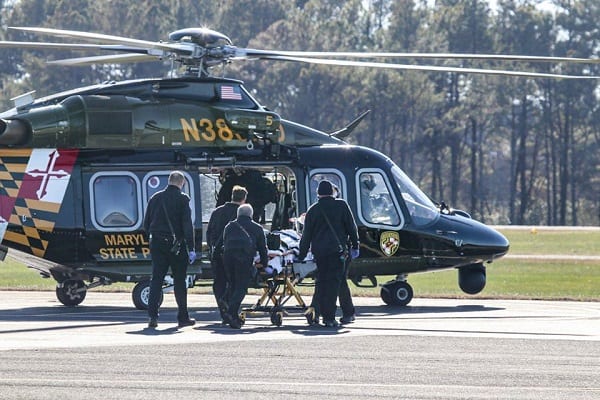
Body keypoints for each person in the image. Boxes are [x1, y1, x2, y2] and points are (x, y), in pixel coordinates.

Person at [298, 180, 359, 328]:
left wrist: (301, 254)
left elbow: (306, 236)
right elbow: (352, 227)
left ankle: (322, 313)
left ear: (318, 193)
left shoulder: (313, 210)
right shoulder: (342, 205)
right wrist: (355, 245)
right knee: (335, 283)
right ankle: (331, 317)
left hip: (320, 253)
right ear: (332, 192)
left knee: (323, 282)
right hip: (338, 252)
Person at [143, 171, 196, 329]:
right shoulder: (183, 199)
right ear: (182, 183)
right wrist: (191, 247)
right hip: (176, 246)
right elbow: (187, 225)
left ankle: (152, 316)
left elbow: (147, 223)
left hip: (157, 244)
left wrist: (151, 239)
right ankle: (182, 317)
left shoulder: (155, 198)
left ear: (169, 181)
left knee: (156, 279)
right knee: (180, 281)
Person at [222, 203, 268, 329]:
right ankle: (231, 311)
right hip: (243, 258)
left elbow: (224, 242)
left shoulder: (229, 226)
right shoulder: (257, 228)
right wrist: (264, 264)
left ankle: (227, 303)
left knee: (232, 284)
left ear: (238, 214)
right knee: (241, 287)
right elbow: (263, 249)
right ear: (251, 215)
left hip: (228, 258)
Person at [206, 185, 247, 324]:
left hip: (217, 254)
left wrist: (212, 248)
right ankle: (231, 310)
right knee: (235, 283)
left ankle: (223, 310)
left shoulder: (217, 212)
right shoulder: (242, 214)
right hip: (234, 254)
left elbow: (209, 232)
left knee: (219, 283)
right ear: (244, 199)